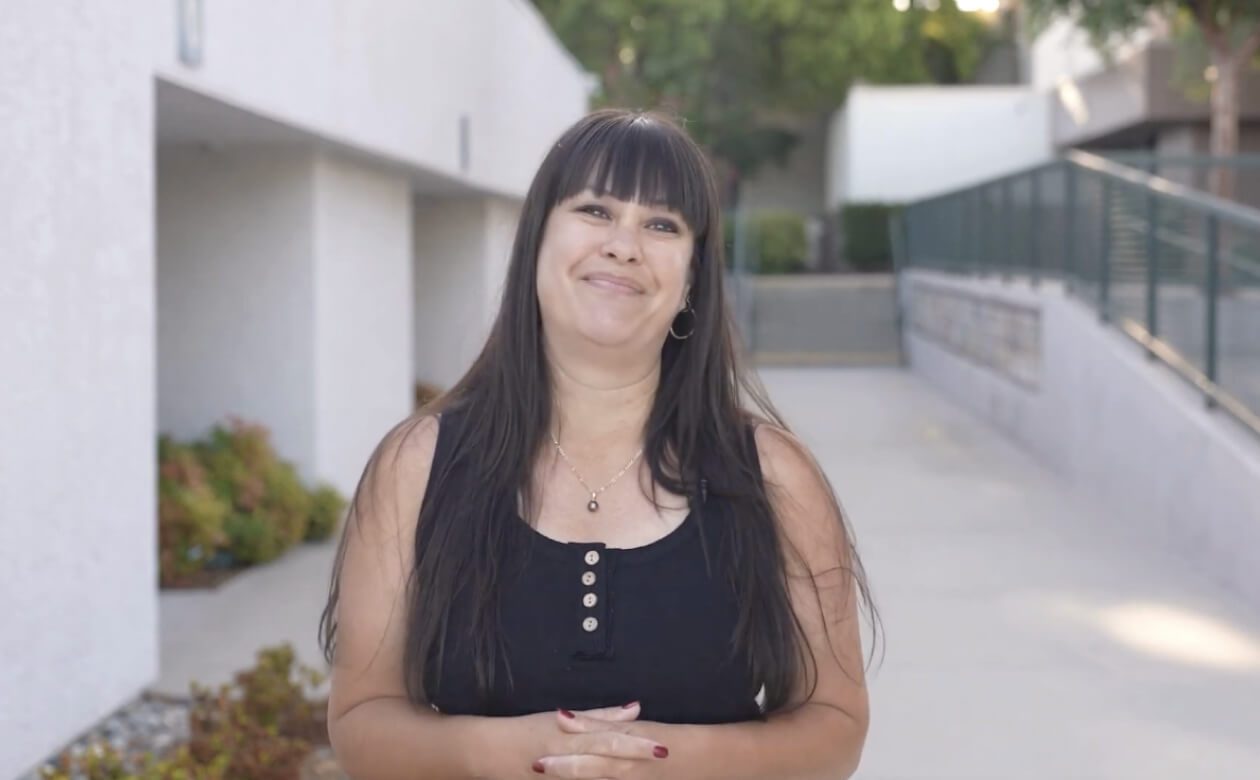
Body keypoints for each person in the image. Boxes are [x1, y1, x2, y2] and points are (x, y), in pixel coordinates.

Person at [318, 108, 879, 779]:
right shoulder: (416, 466)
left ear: (694, 274)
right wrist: (509, 754)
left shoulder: (773, 476)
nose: (624, 244)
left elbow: (836, 726)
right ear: (537, 241)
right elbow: (360, 720)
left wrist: (665, 763)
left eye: (662, 224)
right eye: (595, 210)